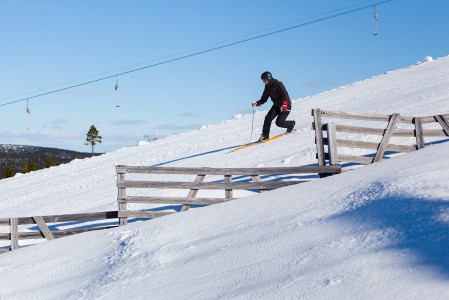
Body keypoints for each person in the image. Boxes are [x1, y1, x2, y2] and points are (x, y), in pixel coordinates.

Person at [252, 71, 296, 142]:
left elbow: (285, 95)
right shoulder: (267, 87)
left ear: (269, 78)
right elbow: (264, 98)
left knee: (279, 123)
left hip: (286, 105)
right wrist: (258, 103)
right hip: (276, 105)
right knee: (268, 118)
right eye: (263, 80)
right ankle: (265, 136)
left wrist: (284, 105)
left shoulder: (278, 84)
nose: (263, 82)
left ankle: (291, 124)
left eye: (264, 80)